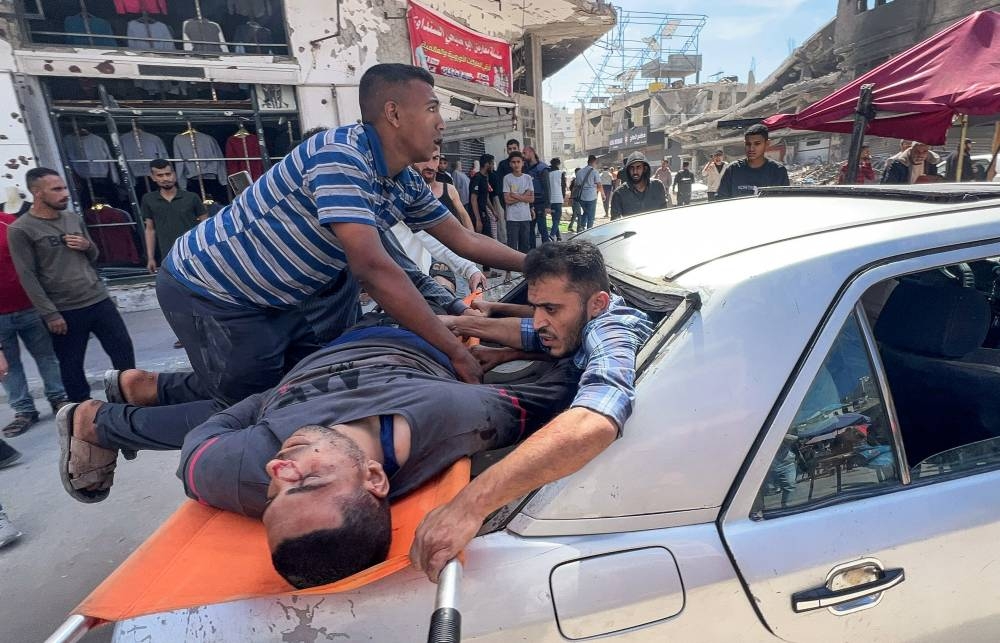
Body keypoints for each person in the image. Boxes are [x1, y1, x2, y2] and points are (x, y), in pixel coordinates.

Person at [56, 312, 580, 588]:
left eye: (274, 492)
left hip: (308, 359)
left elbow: (199, 444)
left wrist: (273, 401)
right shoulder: (454, 417)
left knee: (238, 391)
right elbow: (555, 389)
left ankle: (107, 417)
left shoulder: (242, 469)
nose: (280, 467)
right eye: (307, 480)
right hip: (412, 340)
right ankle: (131, 399)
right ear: (375, 479)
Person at [145, 64, 523, 410]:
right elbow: (373, 269)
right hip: (212, 290)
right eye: (431, 109)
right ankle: (103, 425)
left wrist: (541, 262)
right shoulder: (340, 157)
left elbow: (463, 239)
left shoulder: (403, 180)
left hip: (277, 297)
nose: (441, 123)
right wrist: (455, 352)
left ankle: (138, 389)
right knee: (256, 412)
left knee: (296, 390)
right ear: (393, 114)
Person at [410, 240, 655, 582]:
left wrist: (468, 506)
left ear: (598, 303)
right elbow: (530, 334)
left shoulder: (612, 330)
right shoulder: (581, 318)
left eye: (551, 309)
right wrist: (459, 325)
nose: (539, 320)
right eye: (536, 307)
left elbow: (596, 419)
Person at [7, 168, 135, 403]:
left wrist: (87, 245)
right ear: (37, 192)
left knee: (123, 351)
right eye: (57, 189)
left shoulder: (72, 218)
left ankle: (129, 400)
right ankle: (83, 413)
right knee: (71, 364)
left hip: (97, 299)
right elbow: (27, 275)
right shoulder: (21, 229)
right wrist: (50, 314)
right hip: (64, 309)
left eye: (64, 187)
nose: (65, 193)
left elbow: (94, 255)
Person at [1, 210, 68, 437]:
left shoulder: (10, 223)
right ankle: (24, 411)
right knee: (8, 367)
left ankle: (58, 398)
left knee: (46, 356)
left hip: (30, 305)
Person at [141, 159, 207, 275]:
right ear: (153, 177)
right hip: (168, 254)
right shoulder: (149, 199)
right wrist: (150, 258)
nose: (165, 178)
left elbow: (205, 225)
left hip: (194, 252)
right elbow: (150, 230)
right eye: (160, 175)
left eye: (168, 174)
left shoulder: (191, 197)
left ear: (174, 175)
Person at [716, 124, 790, 199]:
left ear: (767, 144)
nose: (751, 148)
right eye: (748, 144)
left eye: (757, 144)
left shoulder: (778, 171)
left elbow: (783, 201)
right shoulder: (733, 170)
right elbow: (721, 199)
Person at [416, 148, 474, 230]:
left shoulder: (449, 188)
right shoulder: (410, 192)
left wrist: (471, 238)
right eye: (426, 159)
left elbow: (463, 215)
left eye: (435, 159)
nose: (430, 165)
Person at [609, 152, 668, 219]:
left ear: (645, 169)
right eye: (632, 168)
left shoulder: (657, 186)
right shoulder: (619, 194)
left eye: (638, 167)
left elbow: (664, 213)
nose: (635, 172)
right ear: (628, 170)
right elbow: (615, 221)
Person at [503, 151, 534, 253]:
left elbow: (531, 199)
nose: (516, 164)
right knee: (512, 246)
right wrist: (524, 195)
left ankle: (523, 268)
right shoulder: (507, 178)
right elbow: (507, 200)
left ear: (522, 163)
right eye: (513, 162)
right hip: (512, 218)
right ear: (510, 164)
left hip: (525, 217)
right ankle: (510, 268)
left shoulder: (528, 178)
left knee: (525, 246)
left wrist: (515, 195)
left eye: (518, 162)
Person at [522, 146, 550, 245]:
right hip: (528, 203)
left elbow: (547, 188)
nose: (523, 155)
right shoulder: (524, 168)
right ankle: (532, 253)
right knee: (530, 230)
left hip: (540, 203)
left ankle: (547, 252)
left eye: (525, 153)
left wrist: (547, 206)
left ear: (532, 152)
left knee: (543, 229)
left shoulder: (542, 168)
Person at [469, 153, 495, 239]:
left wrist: (493, 211)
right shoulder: (477, 178)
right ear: (487, 164)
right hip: (477, 214)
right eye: (492, 163)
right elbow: (473, 199)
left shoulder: (485, 177)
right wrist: (478, 220)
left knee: (489, 238)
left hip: (484, 212)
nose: (493, 166)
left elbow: (486, 197)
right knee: (481, 239)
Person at [547, 157, 566, 241]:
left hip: (550, 199)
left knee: (554, 218)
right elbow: (563, 186)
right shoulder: (560, 173)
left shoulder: (548, 173)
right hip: (558, 199)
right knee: (557, 219)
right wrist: (564, 196)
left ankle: (558, 236)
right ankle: (551, 235)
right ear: (558, 164)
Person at [567, 168, 582, 233]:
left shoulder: (575, 180)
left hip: (575, 199)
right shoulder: (577, 181)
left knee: (575, 214)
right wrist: (571, 198)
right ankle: (579, 229)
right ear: (576, 173)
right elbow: (573, 190)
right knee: (579, 214)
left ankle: (570, 227)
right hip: (576, 199)